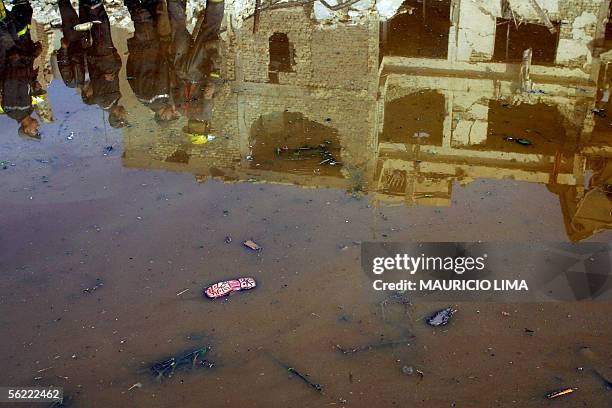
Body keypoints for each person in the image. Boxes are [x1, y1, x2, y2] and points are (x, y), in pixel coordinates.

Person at [0, 0, 42, 139]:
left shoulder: (13, 110)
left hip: (12, 53)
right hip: (21, 54)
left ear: (26, 130)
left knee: (5, 23)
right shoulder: (28, 108)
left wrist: (29, 56)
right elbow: (26, 81)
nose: (38, 127)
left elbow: (12, 80)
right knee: (24, 13)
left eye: (35, 131)